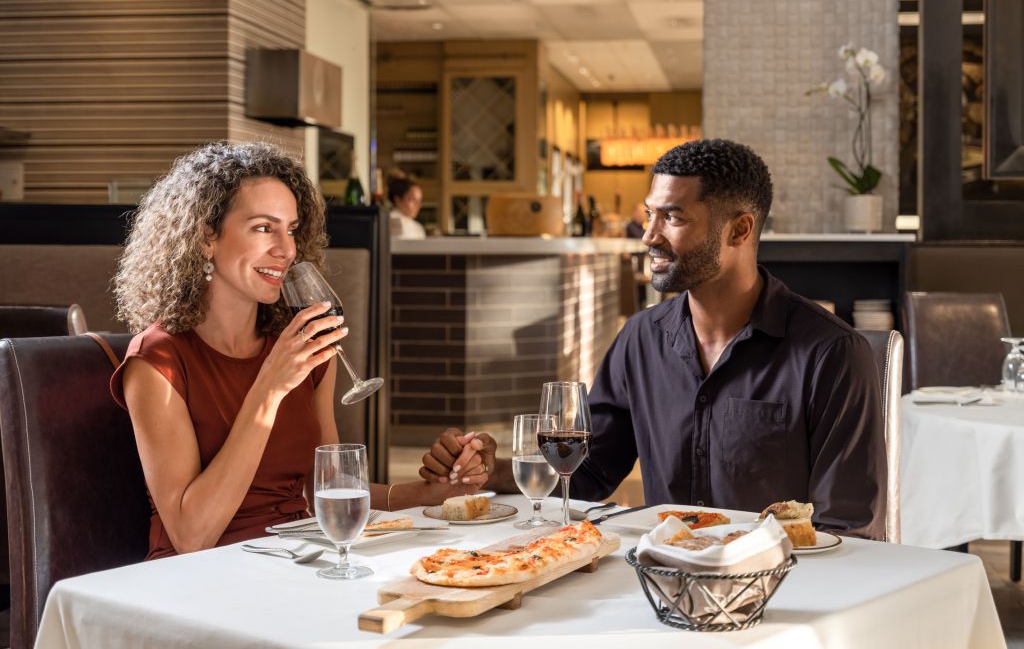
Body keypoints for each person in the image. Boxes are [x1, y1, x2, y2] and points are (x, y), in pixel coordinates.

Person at [419, 139, 886, 539]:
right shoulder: (640, 338)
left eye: (673, 218)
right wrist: (494, 470)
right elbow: (590, 473)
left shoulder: (831, 354)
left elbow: (844, 528)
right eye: (649, 214)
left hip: (778, 600)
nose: (648, 236)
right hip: (661, 581)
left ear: (740, 229)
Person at [112, 142, 484, 560]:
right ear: (205, 237)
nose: (286, 250)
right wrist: (268, 390)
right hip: (203, 578)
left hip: (299, 557)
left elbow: (324, 490)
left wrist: (431, 493)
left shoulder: (301, 351)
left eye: (290, 229)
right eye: (263, 228)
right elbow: (191, 536)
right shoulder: (156, 362)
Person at [388, 175, 426, 239]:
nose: (418, 205)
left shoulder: (417, 227)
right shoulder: (393, 221)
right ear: (398, 200)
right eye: (413, 200)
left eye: (419, 201)